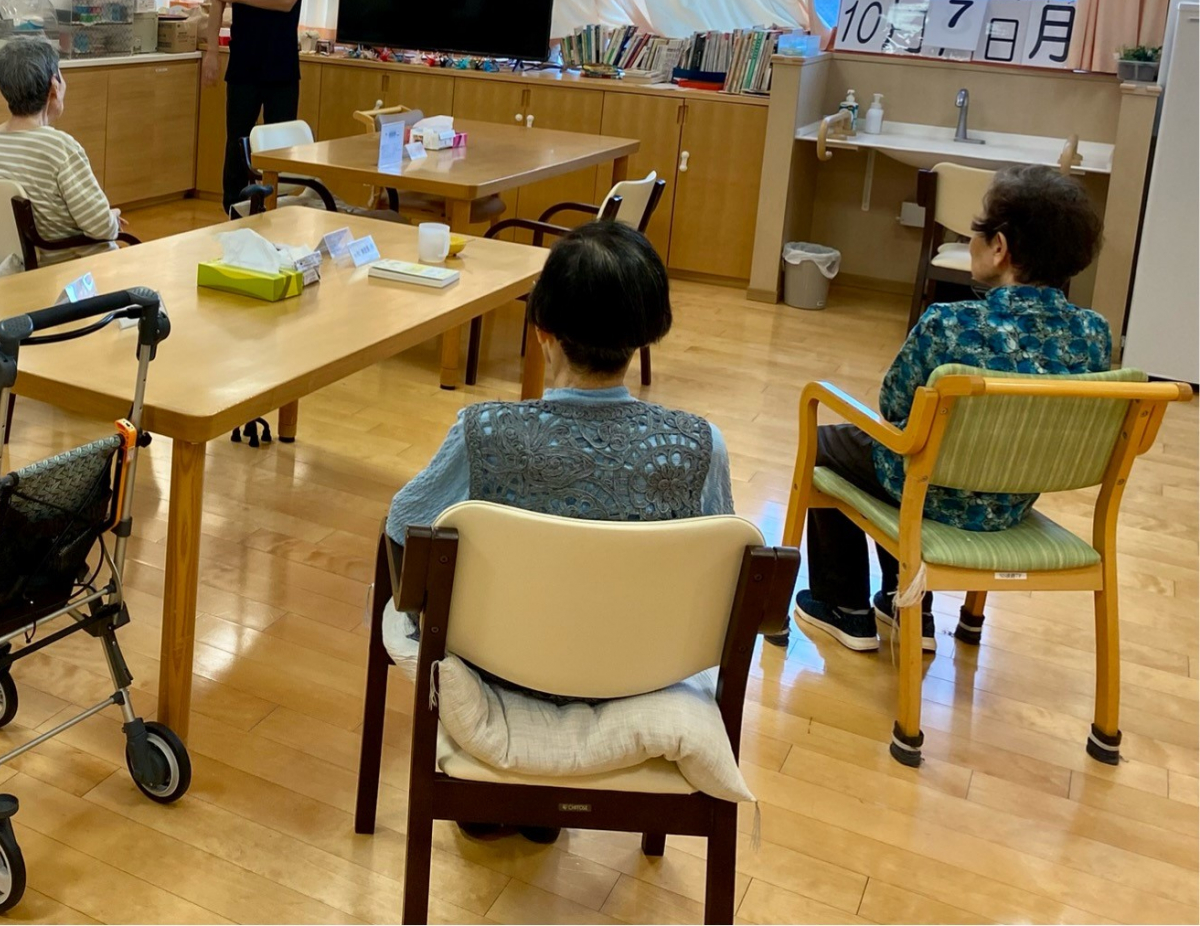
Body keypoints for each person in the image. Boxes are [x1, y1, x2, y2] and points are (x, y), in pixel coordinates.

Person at [385, 218, 732, 845]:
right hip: (639, 670)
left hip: (504, 668)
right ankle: (537, 812)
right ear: (646, 332)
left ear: (541, 331)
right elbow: (725, 577)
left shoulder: (482, 432)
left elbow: (403, 526)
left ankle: (502, 797)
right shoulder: (699, 447)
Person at [793, 164, 1110, 655]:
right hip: (1013, 500)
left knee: (831, 443)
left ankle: (845, 608)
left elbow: (893, 405)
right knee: (904, 453)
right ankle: (907, 606)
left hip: (932, 492)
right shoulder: (1094, 334)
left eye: (975, 231)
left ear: (1000, 247)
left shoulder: (948, 323)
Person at [202, 0, 314, 212]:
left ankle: (275, 208)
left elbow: (286, 1)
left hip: (282, 66)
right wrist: (211, 52)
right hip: (243, 64)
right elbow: (216, 4)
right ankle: (234, 210)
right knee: (238, 142)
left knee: (281, 143)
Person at [0, 37, 118, 264]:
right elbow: (101, 228)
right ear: (54, 86)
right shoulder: (60, 148)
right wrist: (113, 218)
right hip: (69, 268)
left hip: (13, 263)